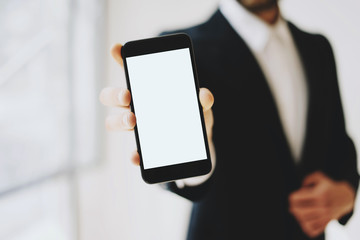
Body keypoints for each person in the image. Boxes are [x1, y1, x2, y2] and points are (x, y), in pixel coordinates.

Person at [99, 0, 359, 239]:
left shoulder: (318, 49)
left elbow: (338, 141)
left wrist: (348, 191)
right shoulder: (184, 50)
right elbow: (189, 179)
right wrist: (197, 151)